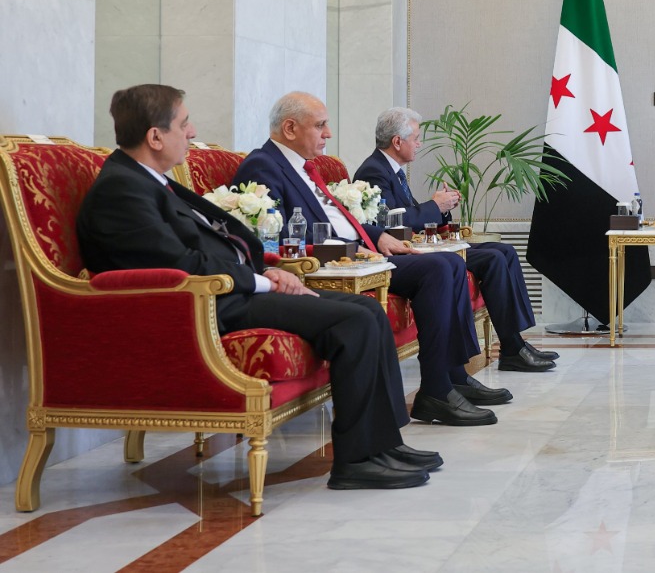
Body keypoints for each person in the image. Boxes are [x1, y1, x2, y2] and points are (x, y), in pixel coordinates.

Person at [77, 84, 440, 490]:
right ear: (155, 136)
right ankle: (357, 461)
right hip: (204, 305)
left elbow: (215, 241)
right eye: (183, 123)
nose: (192, 131)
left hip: (229, 289)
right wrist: (261, 280)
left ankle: (384, 445)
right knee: (353, 320)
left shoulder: (149, 180)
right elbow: (180, 265)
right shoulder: (122, 189)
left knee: (368, 310)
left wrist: (267, 267)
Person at [233, 92, 504, 427]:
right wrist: (347, 249)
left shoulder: (303, 166)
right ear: (290, 128)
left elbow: (335, 216)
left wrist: (377, 236)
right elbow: (279, 234)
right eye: (320, 125)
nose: (328, 133)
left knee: (450, 263)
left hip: (362, 249)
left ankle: (451, 379)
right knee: (438, 267)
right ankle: (437, 390)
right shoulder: (263, 165)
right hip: (333, 261)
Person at [354, 107, 558, 373]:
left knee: (506, 251)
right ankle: (512, 348)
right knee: (494, 258)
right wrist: (433, 206)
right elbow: (391, 222)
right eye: (416, 138)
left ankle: (515, 343)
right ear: (397, 141)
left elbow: (410, 214)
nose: (419, 144)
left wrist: (442, 207)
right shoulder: (374, 171)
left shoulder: (393, 170)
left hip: (422, 244)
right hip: (407, 251)